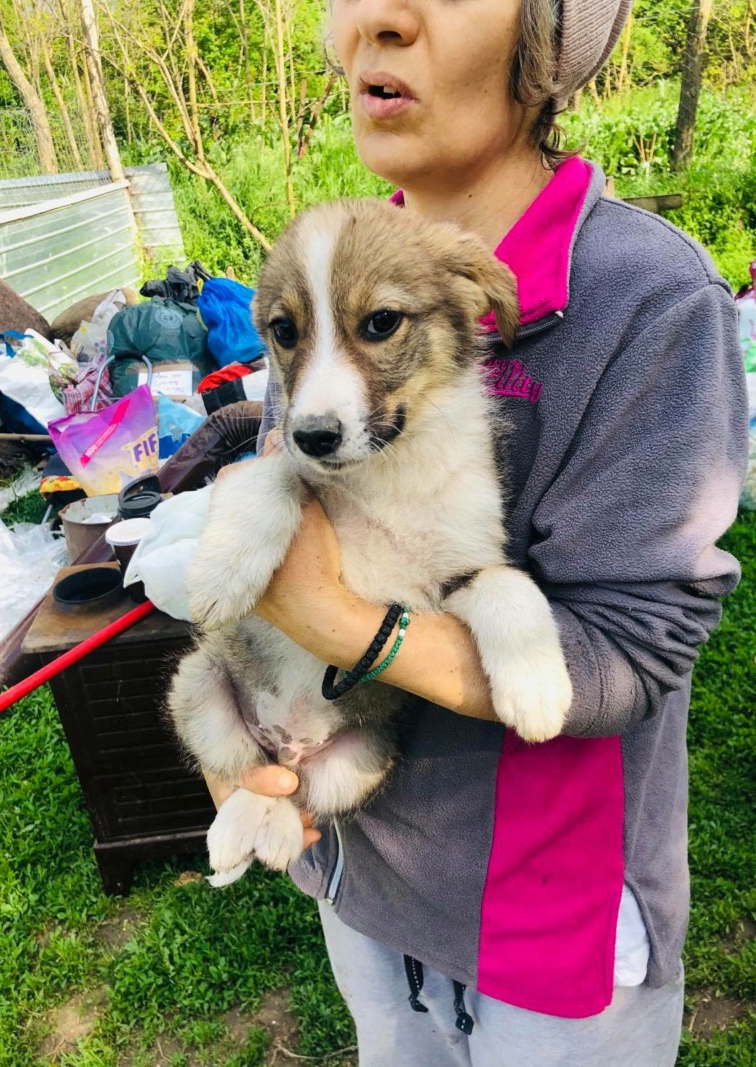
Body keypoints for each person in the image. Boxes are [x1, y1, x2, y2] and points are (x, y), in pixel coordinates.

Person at [205, 1, 749, 1063]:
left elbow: (629, 652)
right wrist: (250, 745)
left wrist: (338, 618)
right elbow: (285, 498)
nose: (375, 20)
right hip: (357, 867)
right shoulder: (325, 258)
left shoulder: (646, 297)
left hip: (548, 919)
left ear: (545, 35)